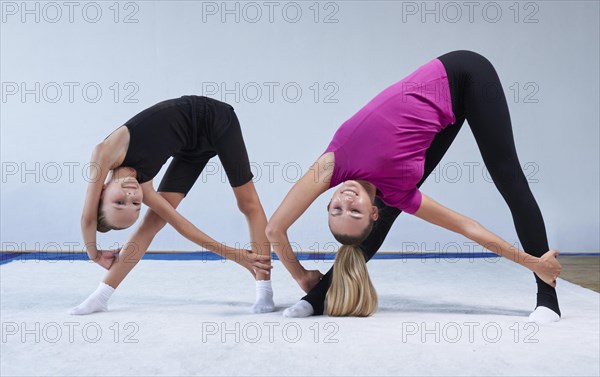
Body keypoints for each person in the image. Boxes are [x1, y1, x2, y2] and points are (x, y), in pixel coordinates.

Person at [266, 50, 562, 324]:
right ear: (372, 212)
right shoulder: (399, 193)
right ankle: (320, 296)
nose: (346, 198)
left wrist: (302, 276)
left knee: (509, 178)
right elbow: (467, 227)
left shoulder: (332, 164)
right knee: (391, 210)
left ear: (327, 202)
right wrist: (532, 262)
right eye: (353, 211)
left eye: (336, 208)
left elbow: (274, 229)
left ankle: (548, 297)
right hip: (438, 121)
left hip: (465, 74)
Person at [71, 95, 274, 315]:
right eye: (136, 204)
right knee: (152, 222)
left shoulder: (105, 153)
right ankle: (101, 295)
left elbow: (87, 218)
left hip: (214, 117)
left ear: (101, 190)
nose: (131, 195)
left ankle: (265, 291)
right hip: (191, 148)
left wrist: (94, 254)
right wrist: (234, 254)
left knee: (247, 203)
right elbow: (181, 225)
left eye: (120, 202)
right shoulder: (144, 187)